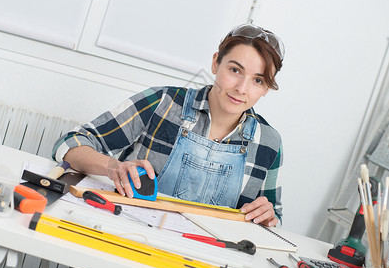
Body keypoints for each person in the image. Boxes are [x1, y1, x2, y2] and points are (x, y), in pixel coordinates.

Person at [53, 22, 284, 236]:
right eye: (235, 70)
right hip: (127, 237)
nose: (242, 88)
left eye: (258, 80)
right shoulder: (162, 103)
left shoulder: (269, 143)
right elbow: (70, 143)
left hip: (202, 259)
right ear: (215, 63)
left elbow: (275, 221)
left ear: (266, 89)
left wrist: (268, 218)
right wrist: (112, 166)